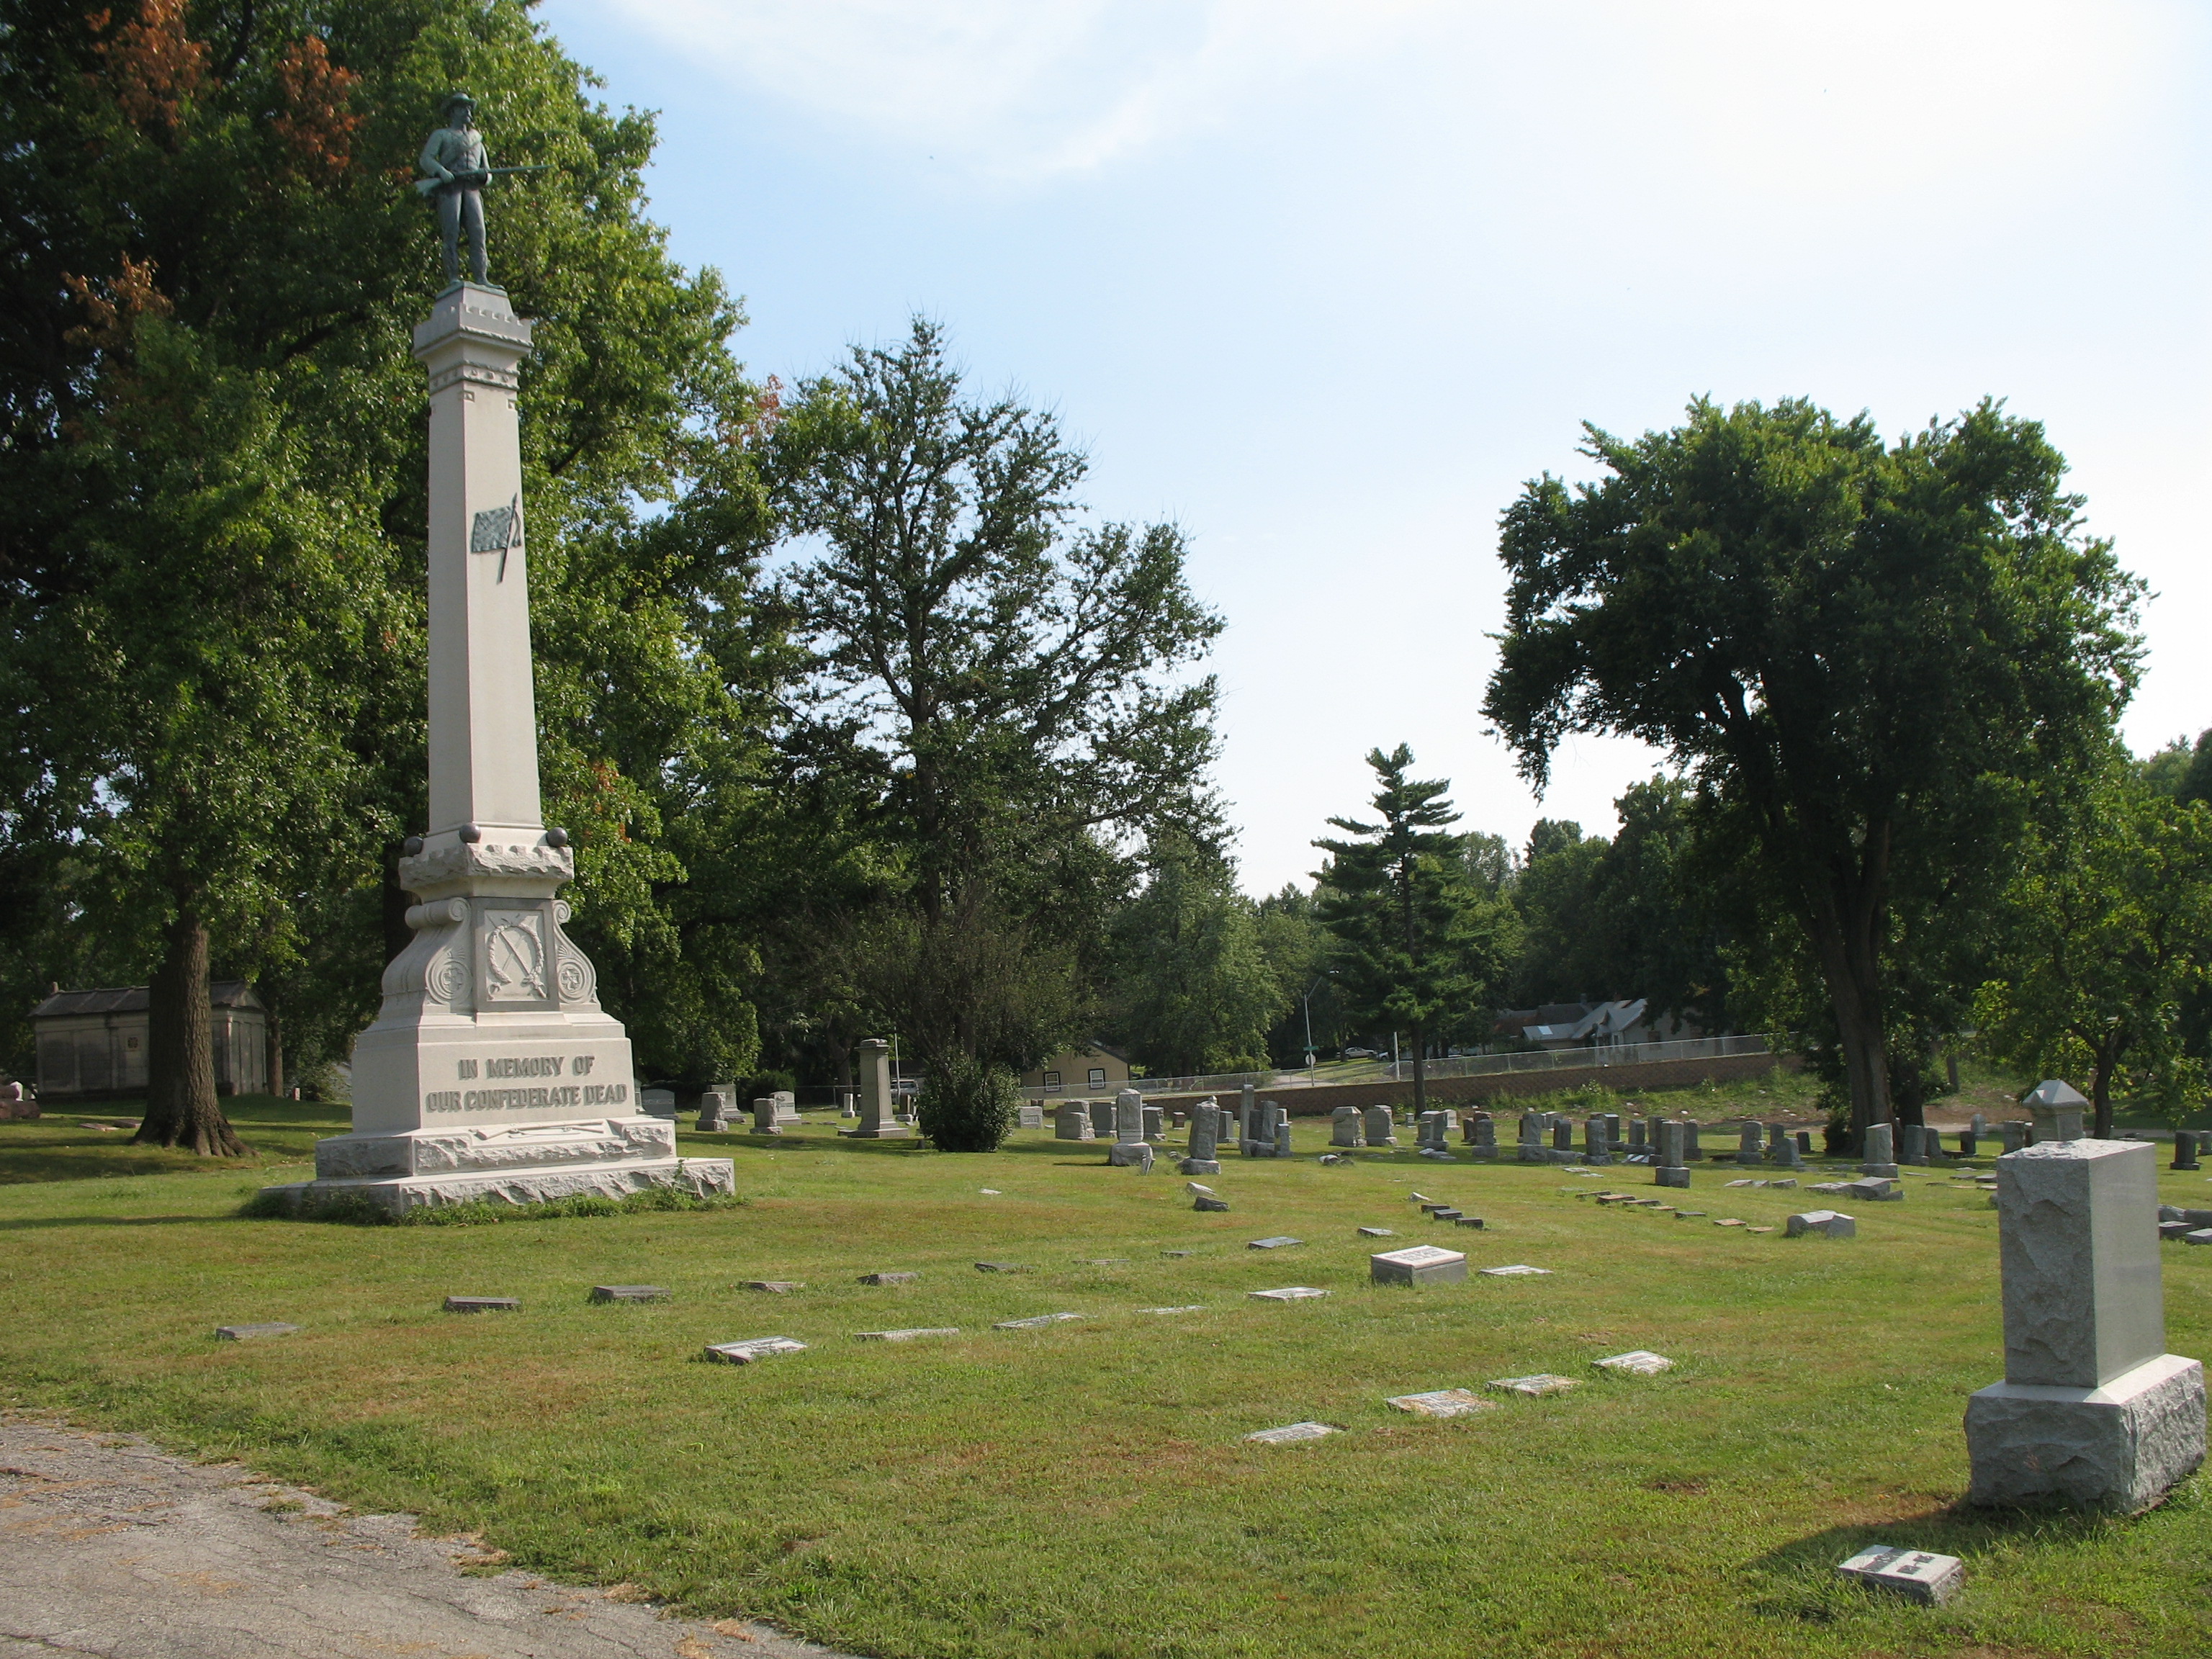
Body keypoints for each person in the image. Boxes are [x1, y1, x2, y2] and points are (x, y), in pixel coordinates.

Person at [417, 91, 491, 285]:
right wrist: (441, 172)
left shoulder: (477, 139)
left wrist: (484, 176)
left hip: (472, 190)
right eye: (463, 107)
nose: (468, 111)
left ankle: (481, 278)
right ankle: (453, 278)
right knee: (451, 233)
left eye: (469, 108)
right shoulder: (441, 135)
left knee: (478, 233)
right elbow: (426, 159)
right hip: (451, 188)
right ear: (453, 111)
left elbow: (487, 172)